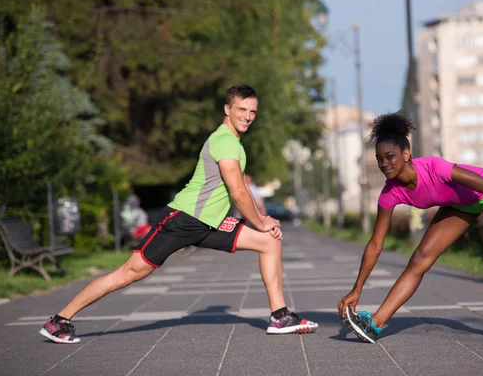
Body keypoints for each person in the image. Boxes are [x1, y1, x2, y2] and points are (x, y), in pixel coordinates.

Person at [40, 85, 318, 344]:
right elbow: (238, 191)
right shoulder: (225, 141)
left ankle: (279, 316)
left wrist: (263, 226)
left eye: (252, 111)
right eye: (241, 110)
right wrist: (261, 220)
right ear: (227, 109)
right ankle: (58, 320)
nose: (247, 116)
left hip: (211, 223)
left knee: (269, 241)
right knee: (129, 273)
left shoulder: (233, 142)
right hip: (183, 219)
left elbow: (238, 190)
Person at [338, 111, 483, 344]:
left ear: (406, 153)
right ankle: (374, 324)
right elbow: (376, 244)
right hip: (460, 205)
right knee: (420, 259)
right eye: (379, 159)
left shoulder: (434, 167)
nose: (384, 164)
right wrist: (357, 289)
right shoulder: (390, 192)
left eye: (390, 156)